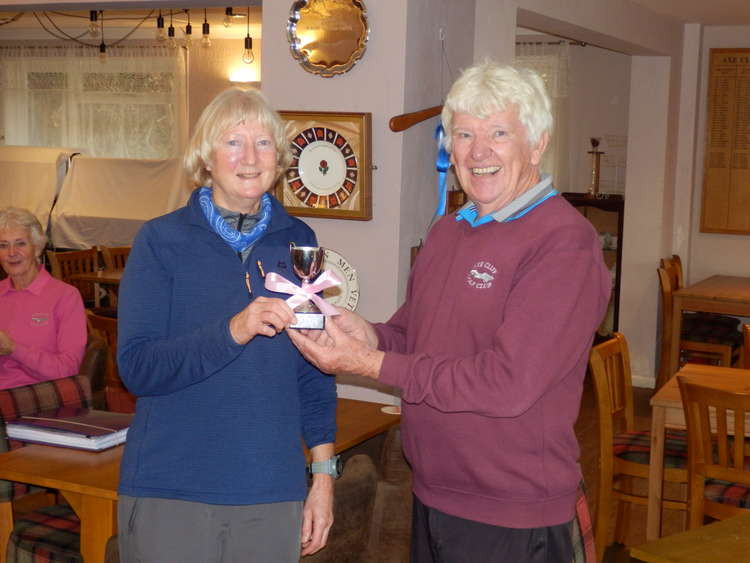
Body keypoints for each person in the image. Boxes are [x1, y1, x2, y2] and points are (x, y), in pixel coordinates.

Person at [289, 61, 611, 562]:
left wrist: (366, 364)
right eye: (463, 133)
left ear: (538, 142)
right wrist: (366, 336)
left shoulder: (564, 243)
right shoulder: (448, 230)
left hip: (512, 513)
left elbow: (508, 384)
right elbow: (411, 334)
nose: (478, 151)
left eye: (498, 133)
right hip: (434, 493)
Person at [116, 87, 337, 562]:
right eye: (233, 142)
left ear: (278, 159)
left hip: (270, 491)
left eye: (263, 143)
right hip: (170, 489)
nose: (250, 157)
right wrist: (232, 331)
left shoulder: (299, 241)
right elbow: (137, 368)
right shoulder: (160, 240)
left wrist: (323, 477)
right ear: (207, 157)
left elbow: (315, 371)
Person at [0, 207, 86, 388]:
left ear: (37, 248)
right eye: (3, 245)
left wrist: (14, 349)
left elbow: (67, 370)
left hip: (39, 399)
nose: (11, 253)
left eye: (20, 243)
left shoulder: (65, 296)